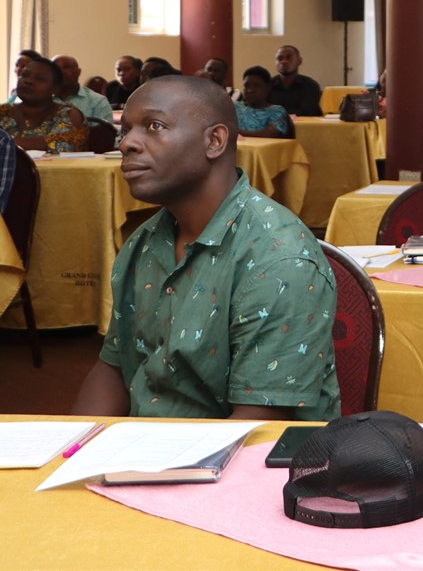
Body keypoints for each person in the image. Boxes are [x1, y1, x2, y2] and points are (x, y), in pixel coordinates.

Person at [70, 76, 340, 421]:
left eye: (154, 126)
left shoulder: (278, 258)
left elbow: (257, 424)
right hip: (147, 452)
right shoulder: (146, 240)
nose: (127, 144)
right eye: (127, 130)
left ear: (214, 141)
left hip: (243, 461)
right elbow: (114, 367)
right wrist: (69, 454)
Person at [0, 59, 87, 153]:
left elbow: (62, 145)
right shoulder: (3, 111)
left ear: (56, 88)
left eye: (39, 78)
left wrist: (5, 142)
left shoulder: (68, 114)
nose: (28, 81)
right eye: (24, 75)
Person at [233, 66, 290, 138]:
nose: (250, 90)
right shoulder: (235, 107)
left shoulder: (277, 111)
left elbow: (269, 135)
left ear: (268, 87)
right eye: (246, 86)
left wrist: (235, 133)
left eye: (256, 86)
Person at [52, 54, 113, 123]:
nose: (61, 72)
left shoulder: (97, 102)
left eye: (66, 67)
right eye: (56, 68)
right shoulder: (40, 100)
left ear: (78, 72)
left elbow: (104, 133)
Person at [268, 45, 324, 117]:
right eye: (279, 58)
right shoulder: (267, 85)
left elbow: (307, 112)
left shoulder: (311, 85)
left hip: (304, 127)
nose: (283, 61)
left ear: (299, 61)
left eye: (289, 57)